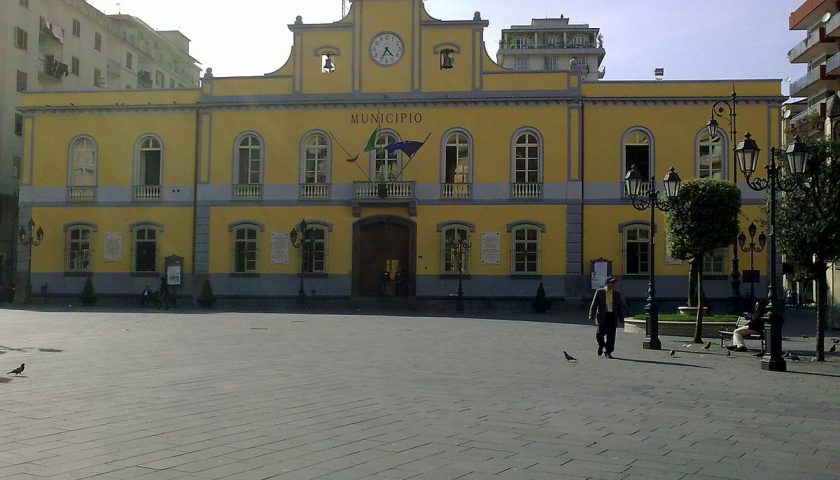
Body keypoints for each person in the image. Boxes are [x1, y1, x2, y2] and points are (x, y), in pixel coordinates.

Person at [589, 276, 624, 358]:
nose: (612, 285)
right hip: (602, 316)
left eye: (613, 283)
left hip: (612, 316)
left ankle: (608, 352)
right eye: (611, 283)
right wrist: (591, 314)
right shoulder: (600, 292)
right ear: (606, 283)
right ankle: (601, 345)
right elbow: (594, 304)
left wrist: (621, 318)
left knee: (611, 336)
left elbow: (619, 307)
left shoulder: (617, 294)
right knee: (599, 334)